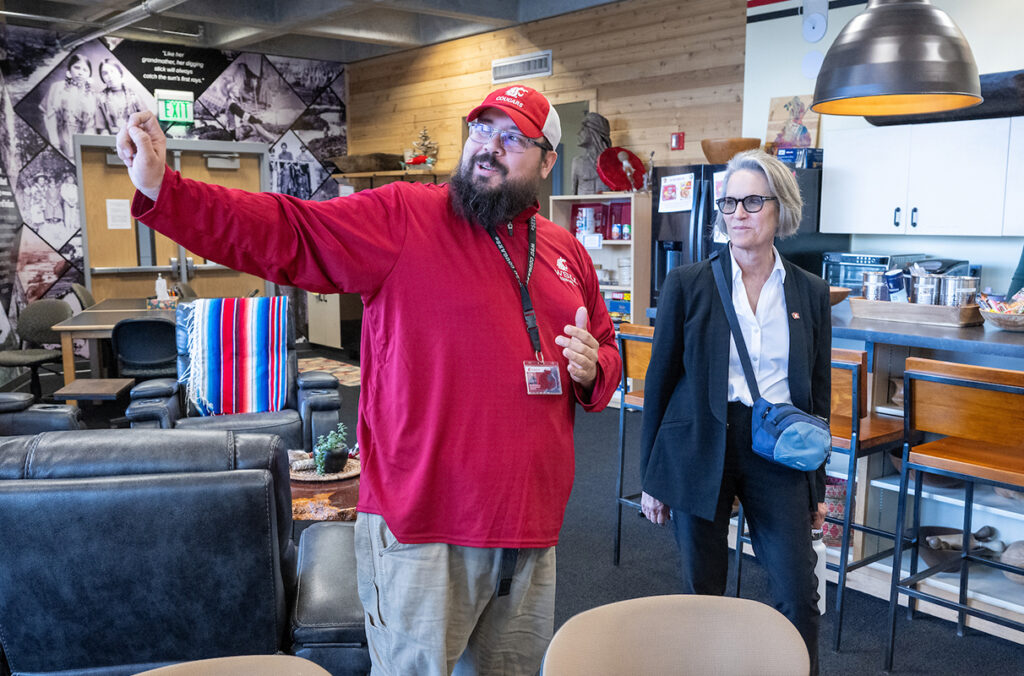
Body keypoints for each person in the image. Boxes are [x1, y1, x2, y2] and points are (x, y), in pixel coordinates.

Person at [116, 84, 622, 676]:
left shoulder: (565, 252)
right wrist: (164, 191)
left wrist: (594, 370)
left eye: (511, 137)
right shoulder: (405, 215)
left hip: (532, 536)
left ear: (546, 160)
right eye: (480, 130)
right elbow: (288, 232)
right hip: (424, 532)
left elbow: (608, 351)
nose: (488, 147)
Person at [638, 150, 829, 675]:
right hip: (700, 441)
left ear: (780, 209)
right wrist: (652, 477)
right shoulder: (690, 282)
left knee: (797, 593)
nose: (738, 212)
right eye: (729, 202)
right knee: (704, 592)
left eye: (752, 201)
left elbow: (816, 393)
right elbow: (660, 382)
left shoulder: (810, 293)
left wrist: (817, 486)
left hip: (777, 447)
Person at [43, 54, 97, 158]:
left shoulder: (92, 95)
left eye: (85, 70)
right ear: (69, 71)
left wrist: (85, 146)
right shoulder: (57, 87)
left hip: (82, 141)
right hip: (59, 138)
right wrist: (55, 143)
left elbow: (91, 125)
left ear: (89, 75)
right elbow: (49, 116)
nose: (80, 72)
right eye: (77, 67)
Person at [96, 59, 143, 135]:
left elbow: (146, 122)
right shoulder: (100, 98)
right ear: (102, 78)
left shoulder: (134, 96)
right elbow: (101, 128)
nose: (109, 76)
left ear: (120, 73)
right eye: (105, 73)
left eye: (112, 71)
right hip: (110, 141)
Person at [570, 112, 611, 194]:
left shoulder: (612, 163)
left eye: (583, 129)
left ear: (593, 131)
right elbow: (573, 197)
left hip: (607, 206)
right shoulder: (578, 162)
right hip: (583, 206)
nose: (579, 133)